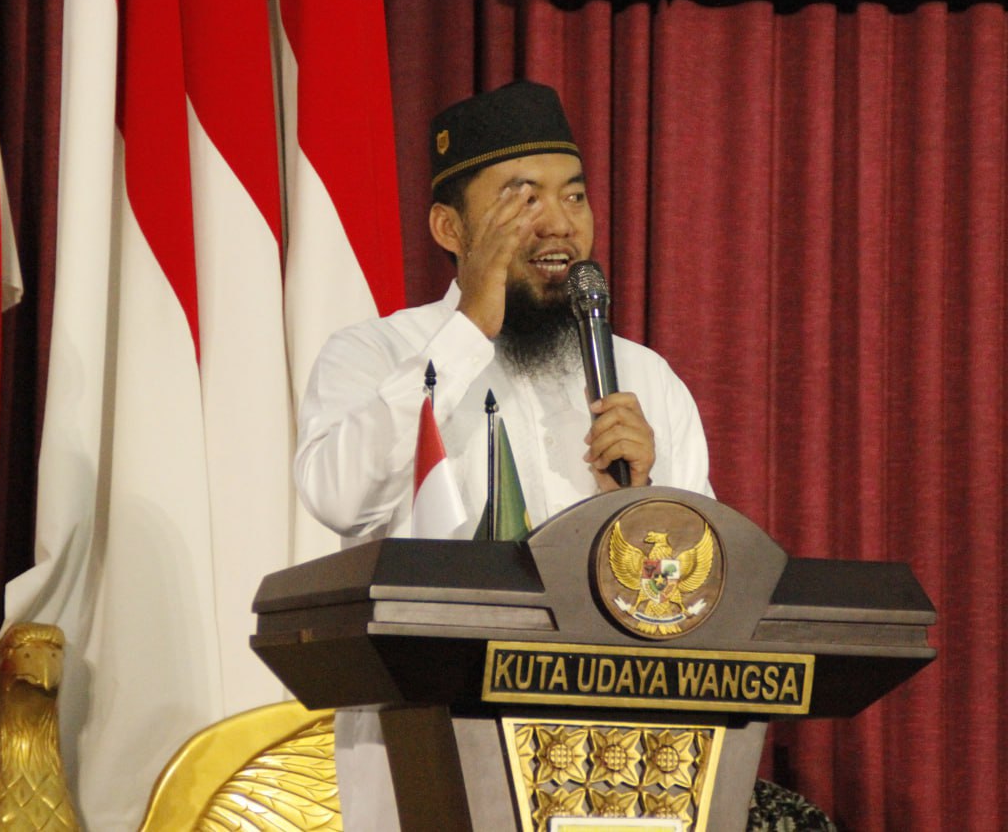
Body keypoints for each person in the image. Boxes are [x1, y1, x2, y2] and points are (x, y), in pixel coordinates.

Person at [293, 80, 714, 830]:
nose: (558, 223)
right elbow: (337, 494)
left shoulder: (644, 378)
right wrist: (467, 333)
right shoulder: (375, 353)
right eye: (522, 198)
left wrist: (643, 498)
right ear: (449, 226)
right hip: (433, 748)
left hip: (615, 765)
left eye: (574, 196)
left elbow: (700, 596)